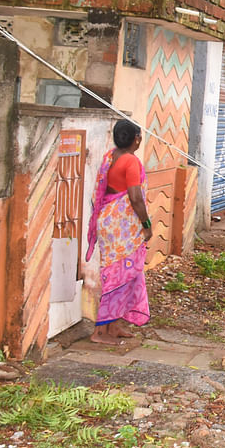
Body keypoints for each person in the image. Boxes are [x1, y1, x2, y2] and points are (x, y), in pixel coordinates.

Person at [86, 119, 152, 346]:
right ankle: (100, 332)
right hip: (121, 227)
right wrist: (147, 224)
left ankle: (113, 325)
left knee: (122, 275)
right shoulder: (130, 162)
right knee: (117, 278)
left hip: (109, 221)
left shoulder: (110, 156)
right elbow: (135, 198)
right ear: (135, 139)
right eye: (139, 136)